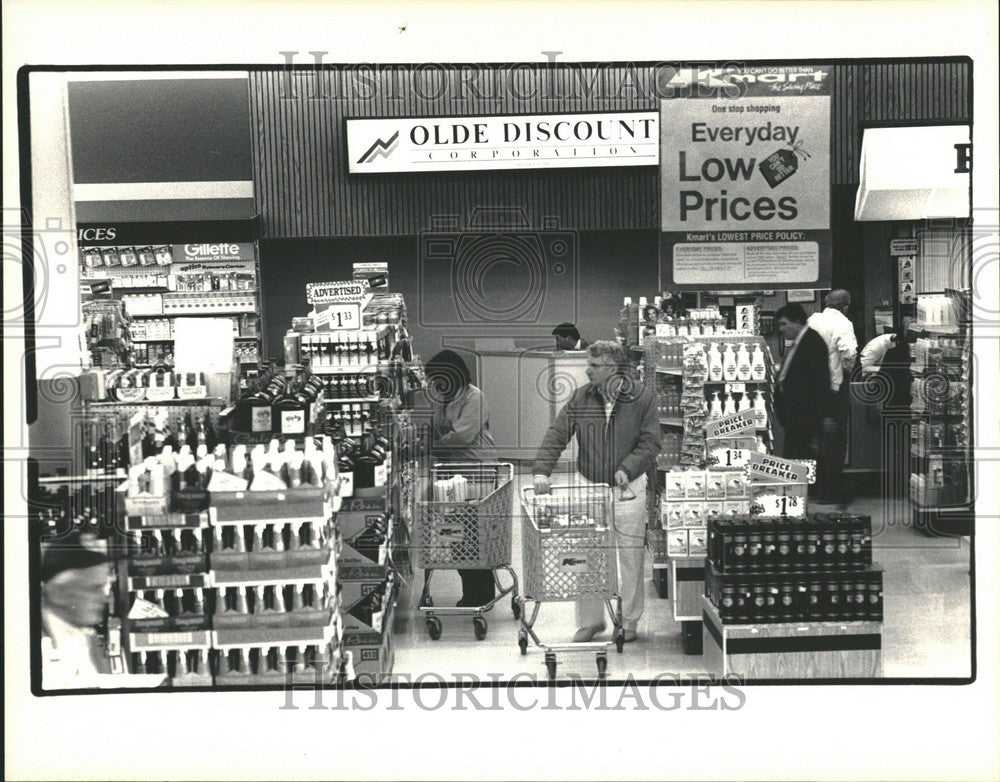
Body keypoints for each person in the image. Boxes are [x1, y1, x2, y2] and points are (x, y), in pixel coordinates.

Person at [531, 340, 660, 643]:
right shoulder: (581, 397)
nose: (587, 371)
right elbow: (557, 433)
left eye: (593, 365)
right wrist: (541, 470)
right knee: (586, 555)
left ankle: (629, 621)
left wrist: (628, 467)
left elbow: (651, 442)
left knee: (629, 557)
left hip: (628, 488)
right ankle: (590, 621)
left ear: (613, 368)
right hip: (589, 485)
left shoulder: (642, 398)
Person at [424, 349, 498, 607]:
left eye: (438, 378)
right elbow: (438, 428)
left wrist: (429, 447)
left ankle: (483, 591)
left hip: (478, 471)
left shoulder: (473, 397)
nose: (435, 384)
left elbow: (462, 436)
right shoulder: (442, 398)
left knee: (474, 532)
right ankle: (470, 590)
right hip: (454, 474)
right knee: (456, 532)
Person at [39, 532, 114, 689]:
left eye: (105, 588)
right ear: (58, 594)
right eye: (94, 588)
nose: (104, 598)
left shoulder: (88, 636)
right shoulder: (23, 641)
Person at [807, 290, 859, 504]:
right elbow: (849, 352)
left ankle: (812, 489)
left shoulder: (812, 320)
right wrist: (848, 369)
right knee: (834, 442)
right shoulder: (843, 323)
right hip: (833, 389)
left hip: (811, 389)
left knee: (815, 439)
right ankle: (829, 493)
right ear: (845, 307)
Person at [773, 304, 836, 461]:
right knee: (795, 458)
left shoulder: (812, 342)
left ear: (797, 321)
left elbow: (821, 380)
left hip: (805, 415)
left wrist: (825, 414)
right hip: (795, 414)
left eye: (784, 324)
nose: (781, 329)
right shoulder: (799, 341)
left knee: (801, 459)